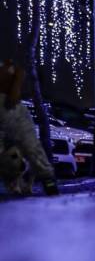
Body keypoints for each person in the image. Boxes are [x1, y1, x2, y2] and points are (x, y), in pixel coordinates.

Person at [0, 58, 59, 195]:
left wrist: (15, 84)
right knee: (27, 150)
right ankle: (15, 184)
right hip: (11, 109)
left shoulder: (7, 68)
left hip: (12, 110)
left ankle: (48, 183)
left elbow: (18, 77)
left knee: (31, 148)